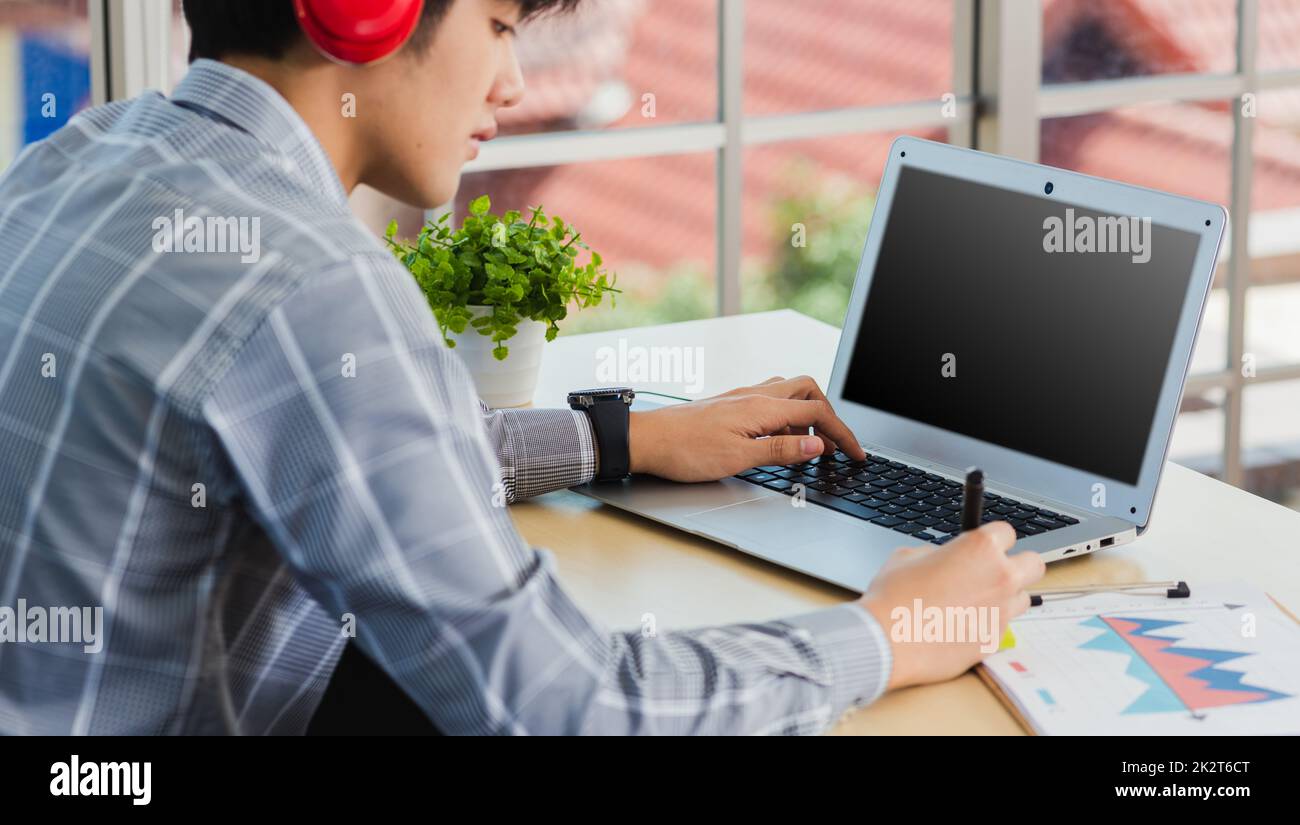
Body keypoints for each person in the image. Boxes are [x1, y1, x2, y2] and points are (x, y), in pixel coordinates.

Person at [0, 0, 1044, 735]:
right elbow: (560, 707)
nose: (513, 81)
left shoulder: (78, 161)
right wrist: (881, 635)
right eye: (499, 27)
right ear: (360, 11)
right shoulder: (309, 280)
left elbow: (323, 432)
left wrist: (619, 437)